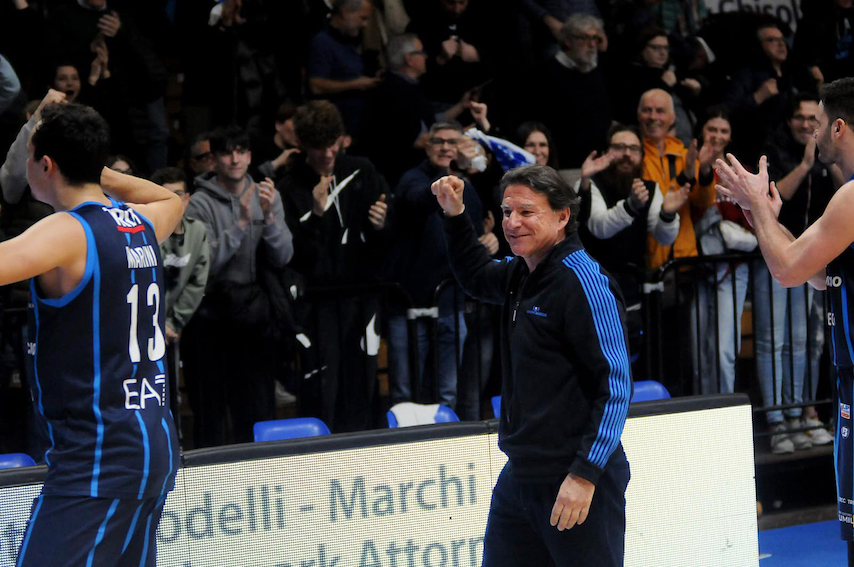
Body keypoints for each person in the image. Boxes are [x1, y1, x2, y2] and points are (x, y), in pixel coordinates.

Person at [432, 165, 631, 566]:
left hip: (573, 475)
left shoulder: (585, 282)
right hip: (521, 474)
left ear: (562, 217)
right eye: (507, 212)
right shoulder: (520, 273)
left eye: (526, 212)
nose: (512, 223)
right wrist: (455, 215)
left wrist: (585, 474)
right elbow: (475, 275)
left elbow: (615, 386)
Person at [10, 103, 182, 566]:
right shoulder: (141, 222)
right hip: (153, 442)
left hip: (100, 456)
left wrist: (85, 162)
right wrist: (92, 165)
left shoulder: (66, 232)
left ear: (46, 165)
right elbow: (171, 200)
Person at [715, 76, 854, 559]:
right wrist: (766, 219)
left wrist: (756, 205)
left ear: (839, 127)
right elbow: (817, 273)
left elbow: (787, 270)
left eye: (818, 122)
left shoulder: (851, 197)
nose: (813, 133)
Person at [278, 100, 390, 432]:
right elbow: (293, 254)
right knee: (323, 384)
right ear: (302, 145)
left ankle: (368, 448)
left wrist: (381, 224)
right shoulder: (290, 185)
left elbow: (386, 235)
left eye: (332, 145)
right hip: (318, 302)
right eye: (318, 148)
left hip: (362, 295)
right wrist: (316, 215)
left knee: (363, 380)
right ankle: (322, 450)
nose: (328, 154)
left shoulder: (362, 170)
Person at [183, 125, 293, 447]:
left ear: (249, 156)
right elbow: (203, 263)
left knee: (257, 404)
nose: (235, 160)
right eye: (226, 153)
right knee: (213, 409)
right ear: (214, 159)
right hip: (212, 314)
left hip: (253, 314)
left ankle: (260, 468)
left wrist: (268, 219)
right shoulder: (199, 203)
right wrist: (241, 223)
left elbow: (284, 255)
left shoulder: (266, 196)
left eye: (241, 152)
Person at [385, 121, 488, 411]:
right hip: (408, 303)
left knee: (448, 393)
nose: (445, 147)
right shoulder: (412, 179)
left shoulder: (465, 186)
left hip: (451, 302)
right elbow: (416, 199)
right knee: (405, 394)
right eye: (439, 141)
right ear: (427, 146)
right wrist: (447, 180)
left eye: (452, 142)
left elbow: (475, 233)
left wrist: (489, 241)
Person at [755, 94, 836, 452]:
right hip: (776, 253)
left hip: (810, 255)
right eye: (800, 117)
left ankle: (802, 415)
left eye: (812, 119)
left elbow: (843, 190)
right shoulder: (775, 151)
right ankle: (777, 422)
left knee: (803, 342)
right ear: (789, 121)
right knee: (772, 341)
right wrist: (805, 164)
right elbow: (779, 198)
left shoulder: (827, 152)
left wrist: (823, 157)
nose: (806, 124)